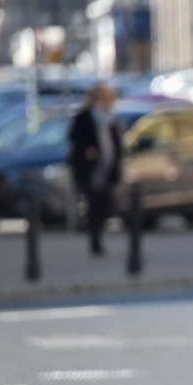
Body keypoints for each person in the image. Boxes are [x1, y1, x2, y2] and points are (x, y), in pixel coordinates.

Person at [68, 82, 124, 256]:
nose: (101, 100)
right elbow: (75, 139)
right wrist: (87, 151)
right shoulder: (84, 117)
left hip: (108, 167)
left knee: (107, 206)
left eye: (104, 96)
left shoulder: (110, 118)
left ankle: (96, 233)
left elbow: (117, 143)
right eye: (98, 96)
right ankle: (95, 240)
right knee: (94, 203)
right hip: (91, 169)